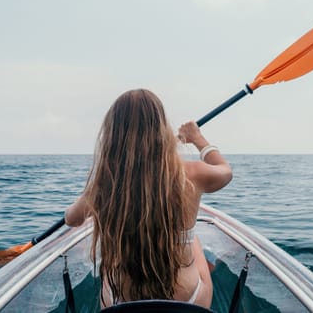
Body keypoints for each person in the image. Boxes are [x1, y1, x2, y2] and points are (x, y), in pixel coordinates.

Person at [65, 89, 232, 309]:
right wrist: (197, 139)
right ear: (161, 129)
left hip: (122, 301)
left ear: (113, 134)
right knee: (192, 240)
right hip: (187, 299)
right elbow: (225, 171)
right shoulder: (191, 174)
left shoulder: (106, 181)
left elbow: (72, 219)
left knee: (108, 271)